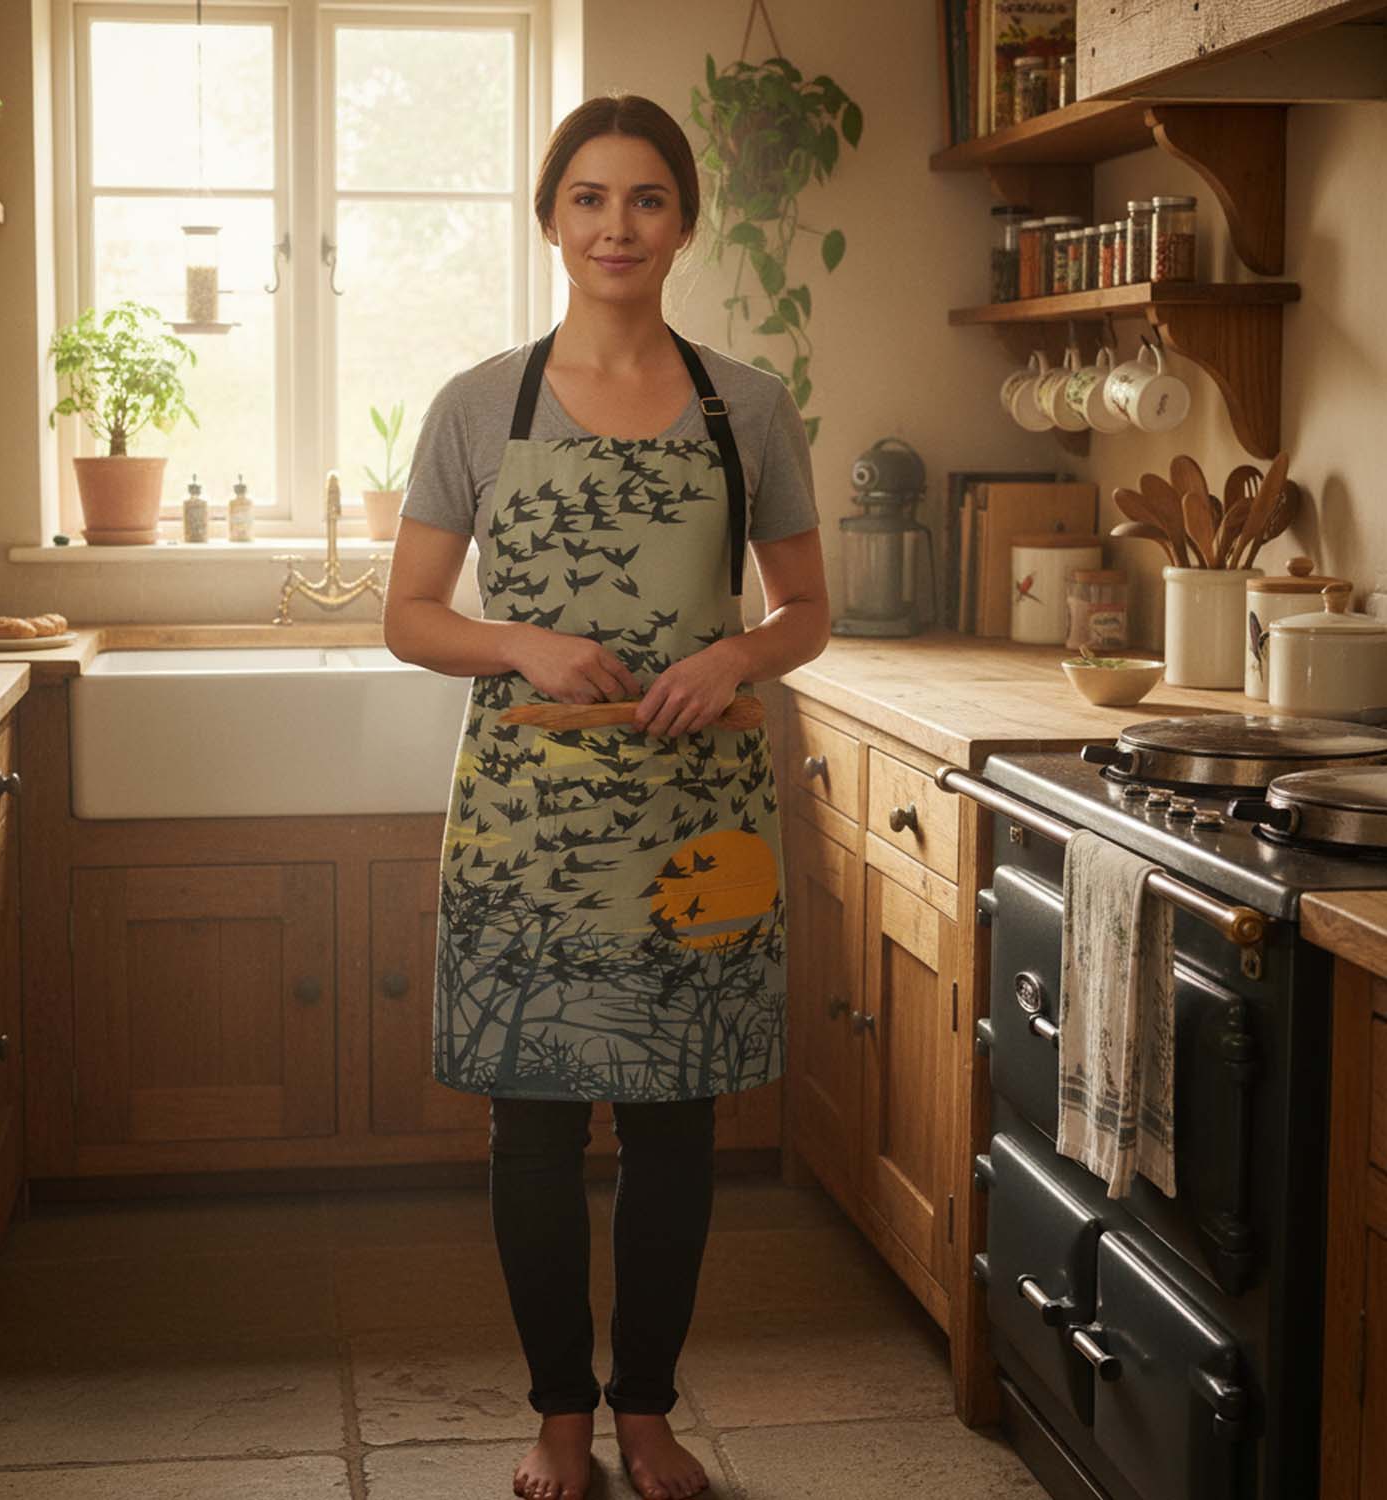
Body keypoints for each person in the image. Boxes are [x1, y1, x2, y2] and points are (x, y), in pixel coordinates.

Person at [383, 91, 829, 1500]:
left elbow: (810, 608)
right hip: (530, 816)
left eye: (646, 198)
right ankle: (557, 1419)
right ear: (551, 217)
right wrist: (519, 640)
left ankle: (646, 1411)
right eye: (589, 197)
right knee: (529, 1119)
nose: (617, 225)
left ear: (685, 220)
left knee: (676, 1118)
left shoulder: (747, 404)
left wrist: (738, 653)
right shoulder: (477, 403)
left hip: (697, 815)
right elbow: (408, 615)